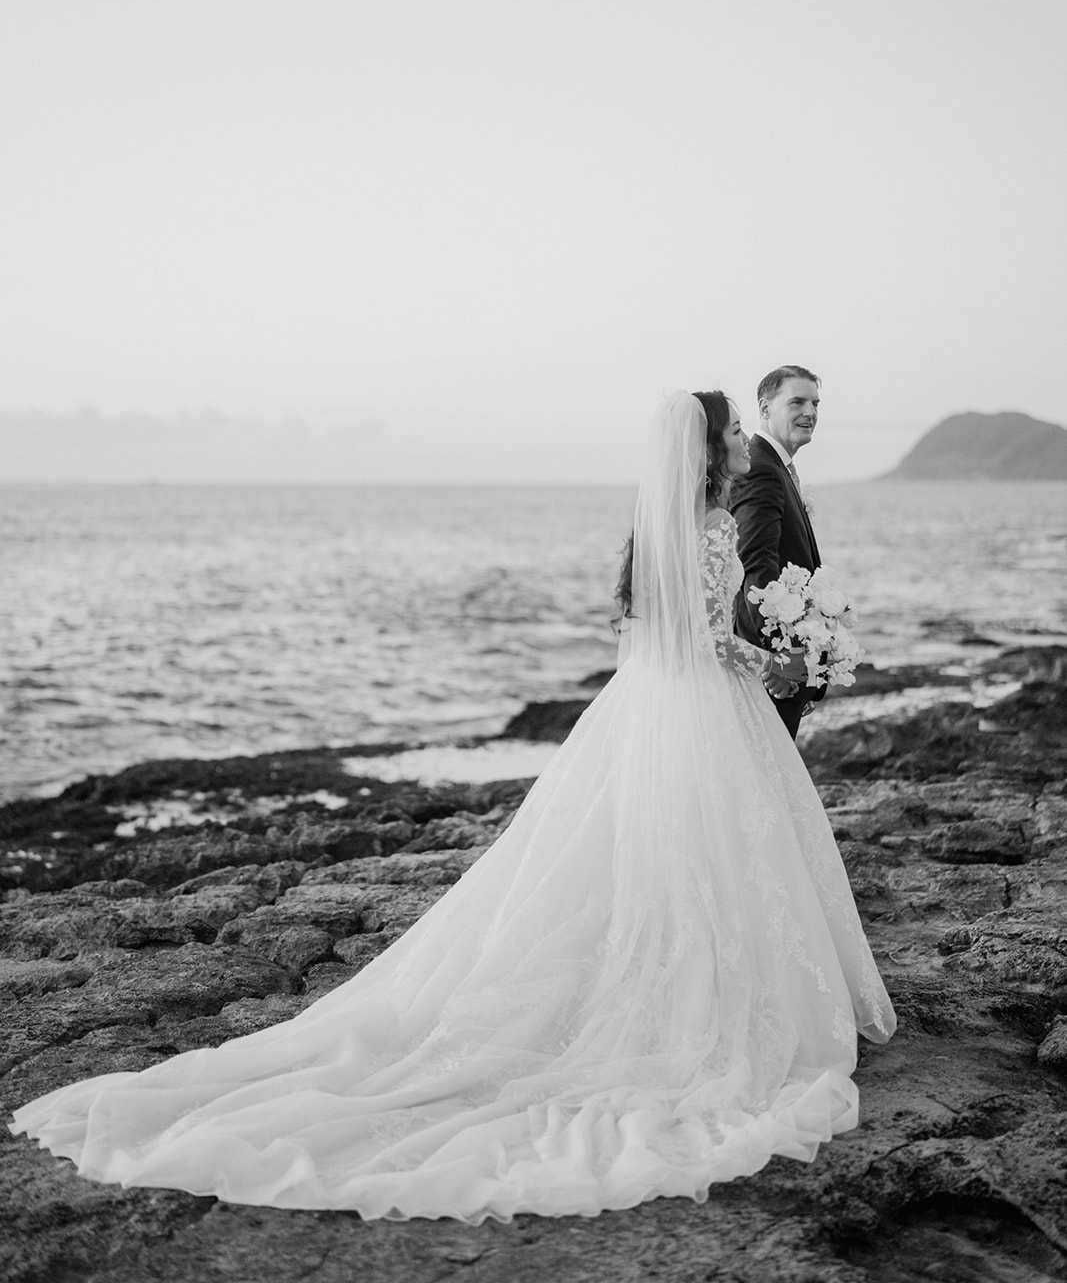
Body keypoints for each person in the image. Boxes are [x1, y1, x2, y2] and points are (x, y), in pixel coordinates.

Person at [11, 390, 895, 1221]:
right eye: (732, 428)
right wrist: (781, 660)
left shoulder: (654, 528)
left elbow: (649, 633)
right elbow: (712, 643)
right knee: (712, 856)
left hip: (646, 709)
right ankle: (705, 1003)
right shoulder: (707, 529)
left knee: (648, 854)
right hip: (702, 709)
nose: (742, 438)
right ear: (707, 448)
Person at [731, 366, 825, 740]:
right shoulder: (762, 469)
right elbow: (755, 568)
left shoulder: (779, 467)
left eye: (816, 403)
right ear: (765, 408)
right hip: (774, 669)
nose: (811, 412)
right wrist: (778, 660)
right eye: (797, 402)